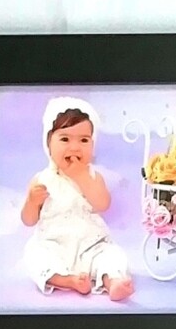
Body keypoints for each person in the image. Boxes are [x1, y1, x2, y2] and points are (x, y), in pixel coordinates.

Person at [21, 98, 134, 302]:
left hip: (92, 245)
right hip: (53, 245)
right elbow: (29, 220)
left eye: (83, 140)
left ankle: (113, 281)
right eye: (65, 139)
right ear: (48, 143)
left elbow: (103, 204)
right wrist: (31, 202)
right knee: (34, 256)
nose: (74, 147)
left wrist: (81, 177)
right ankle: (68, 280)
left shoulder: (93, 176)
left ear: (93, 144)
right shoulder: (42, 180)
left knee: (112, 254)